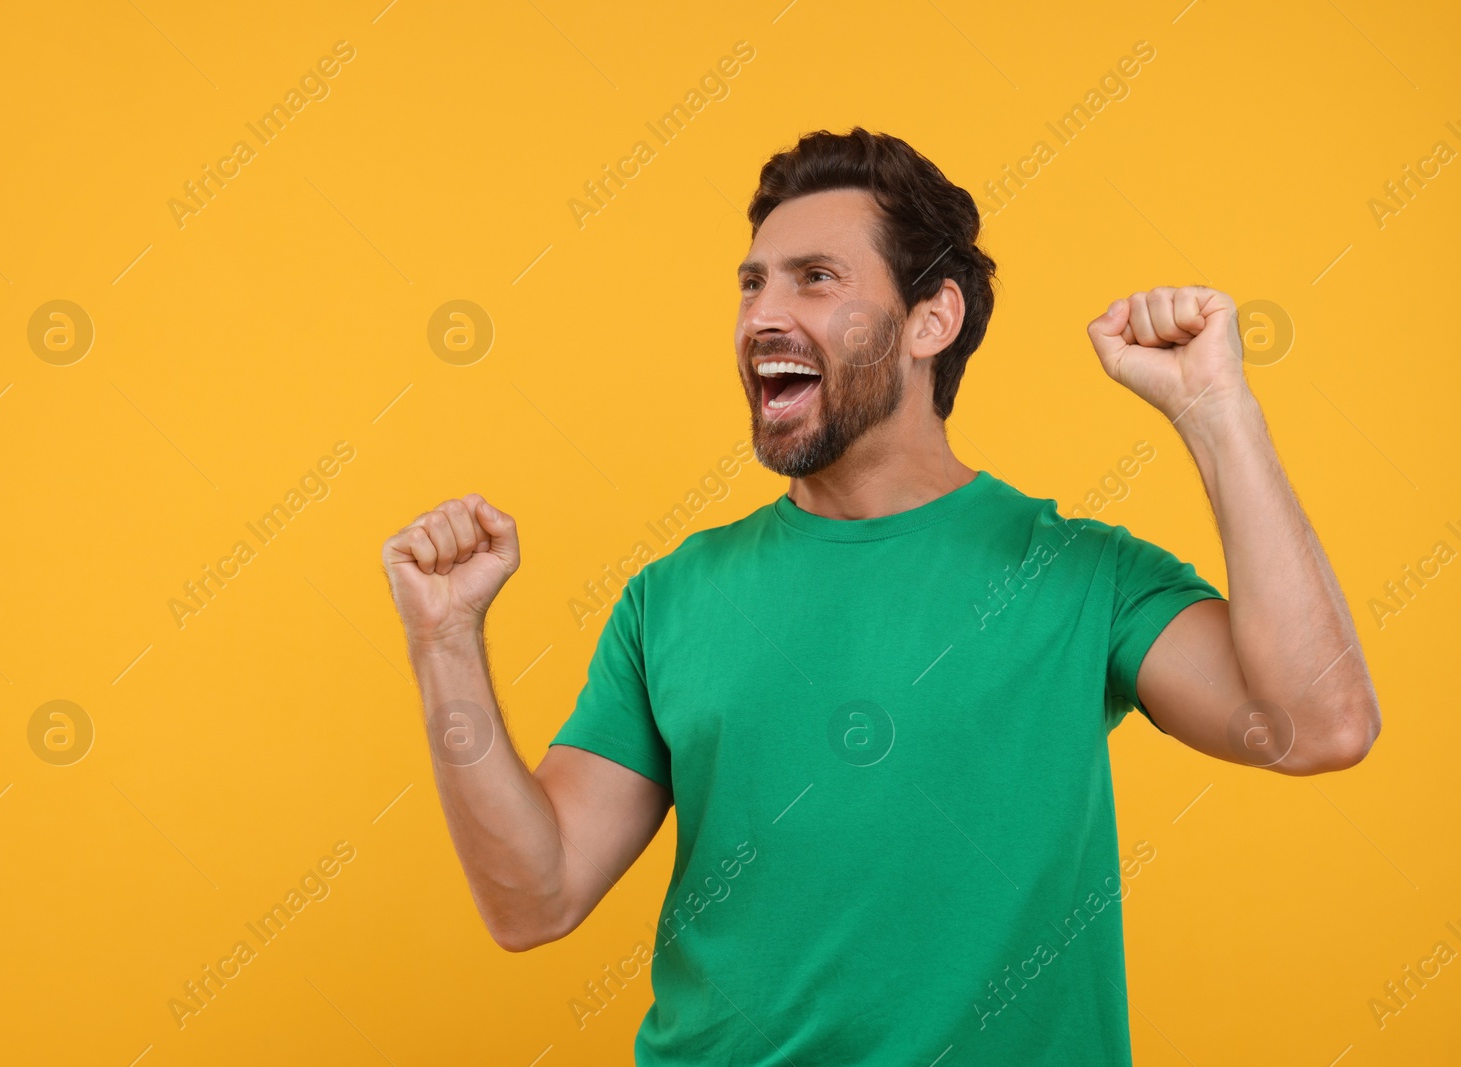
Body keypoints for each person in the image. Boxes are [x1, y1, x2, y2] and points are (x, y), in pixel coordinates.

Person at [380, 127, 1380, 1065]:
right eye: (752, 284)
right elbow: (532, 896)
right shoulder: (671, 595)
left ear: (928, 319)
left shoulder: (1082, 573)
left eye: (816, 279)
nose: (764, 315)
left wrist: (1216, 411)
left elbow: (1320, 722)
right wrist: (445, 639)